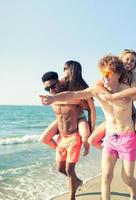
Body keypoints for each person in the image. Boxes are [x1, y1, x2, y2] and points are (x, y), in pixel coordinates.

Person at [40, 55, 136, 200]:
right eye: (103, 74)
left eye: (109, 74)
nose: (105, 78)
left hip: (127, 137)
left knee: (127, 178)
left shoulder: (127, 91)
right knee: (106, 176)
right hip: (110, 137)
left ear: (118, 74)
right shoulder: (98, 89)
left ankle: (133, 195)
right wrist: (53, 98)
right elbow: (73, 94)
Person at [89, 49, 136, 150]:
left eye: (133, 61)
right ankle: (114, 151)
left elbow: (135, 90)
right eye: (127, 59)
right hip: (114, 119)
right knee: (92, 141)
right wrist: (105, 94)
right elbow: (98, 84)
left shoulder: (133, 75)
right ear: (121, 59)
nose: (130, 62)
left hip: (130, 115)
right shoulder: (112, 72)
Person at [41, 71, 91, 200]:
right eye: (47, 88)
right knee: (60, 168)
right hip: (61, 137)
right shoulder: (51, 99)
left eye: (52, 86)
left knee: (69, 169)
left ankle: (72, 197)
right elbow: (60, 117)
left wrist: (86, 130)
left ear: (59, 82)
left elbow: (87, 105)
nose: (50, 90)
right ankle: (78, 181)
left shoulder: (70, 94)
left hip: (74, 135)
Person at [40, 60, 96, 156]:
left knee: (86, 135)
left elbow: (91, 108)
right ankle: (60, 150)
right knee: (44, 138)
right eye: (64, 69)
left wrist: (92, 127)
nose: (64, 72)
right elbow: (56, 97)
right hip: (64, 118)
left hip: (79, 116)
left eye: (66, 69)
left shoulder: (81, 87)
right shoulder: (60, 82)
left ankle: (86, 147)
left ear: (74, 72)